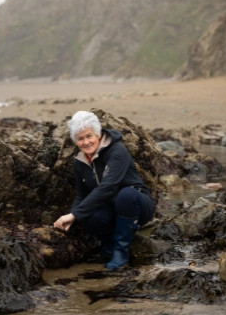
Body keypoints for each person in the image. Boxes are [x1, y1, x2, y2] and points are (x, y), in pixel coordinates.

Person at [52, 110, 156, 270]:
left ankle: (121, 251)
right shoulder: (79, 161)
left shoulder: (117, 150)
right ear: (75, 141)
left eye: (89, 136)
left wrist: (74, 214)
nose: (86, 142)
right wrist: (74, 217)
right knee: (88, 213)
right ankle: (110, 244)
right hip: (110, 209)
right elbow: (82, 195)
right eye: (80, 138)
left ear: (98, 134)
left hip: (137, 205)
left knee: (126, 195)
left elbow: (108, 187)